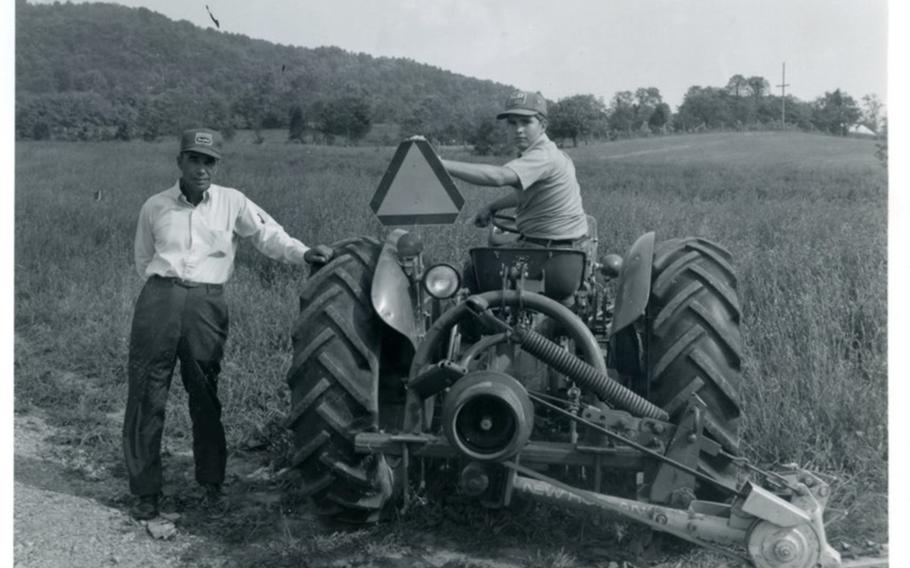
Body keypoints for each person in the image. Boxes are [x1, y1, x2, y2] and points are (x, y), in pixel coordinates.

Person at [123, 127, 334, 521]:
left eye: (209, 161)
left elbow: (269, 235)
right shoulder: (155, 206)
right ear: (180, 162)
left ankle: (210, 484)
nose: (202, 168)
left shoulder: (232, 202)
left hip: (206, 303)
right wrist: (168, 290)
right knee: (146, 396)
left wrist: (305, 254)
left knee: (204, 394)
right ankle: (146, 491)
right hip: (159, 298)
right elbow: (143, 259)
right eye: (194, 159)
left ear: (216, 165)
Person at [440, 90, 589, 248]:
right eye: (513, 123)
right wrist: (492, 207)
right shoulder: (551, 153)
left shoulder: (543, 156)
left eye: (526, 122)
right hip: (564, 243)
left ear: (543, 126)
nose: (518, 129)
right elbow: (527, 195)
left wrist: (440, 164)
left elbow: (499, 177)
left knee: (475, 266)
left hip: (550, 247)